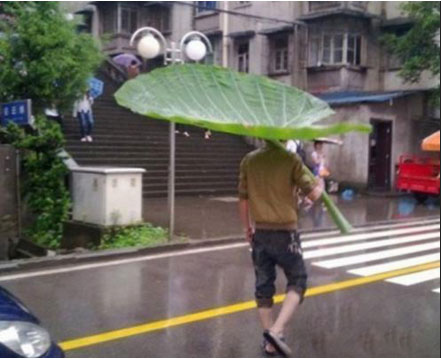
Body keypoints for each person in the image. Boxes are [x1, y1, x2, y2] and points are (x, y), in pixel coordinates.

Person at [238, 140, 323, 357]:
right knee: (298, 280)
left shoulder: (249, 160)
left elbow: (243, 199)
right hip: (286, 234)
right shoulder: (290, 159)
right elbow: (313, 194)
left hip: (260, 233)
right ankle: (276, 331)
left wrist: (247, 228)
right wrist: (319, 185)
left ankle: (269, 339)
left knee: (263, 285)